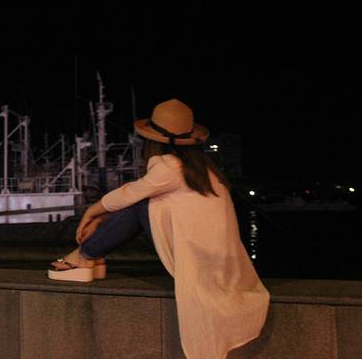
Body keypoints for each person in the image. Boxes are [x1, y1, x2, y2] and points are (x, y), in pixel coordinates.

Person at [48, 98, 270, 359]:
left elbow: (129, 194)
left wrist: (92, 212)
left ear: (151, 140)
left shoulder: (169, 166)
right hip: (222, 267)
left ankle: (84, 256)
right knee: (144, 202)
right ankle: (91, 255)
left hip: (199, 266)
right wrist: (101, 216)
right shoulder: (204, 169)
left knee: (141, 205)